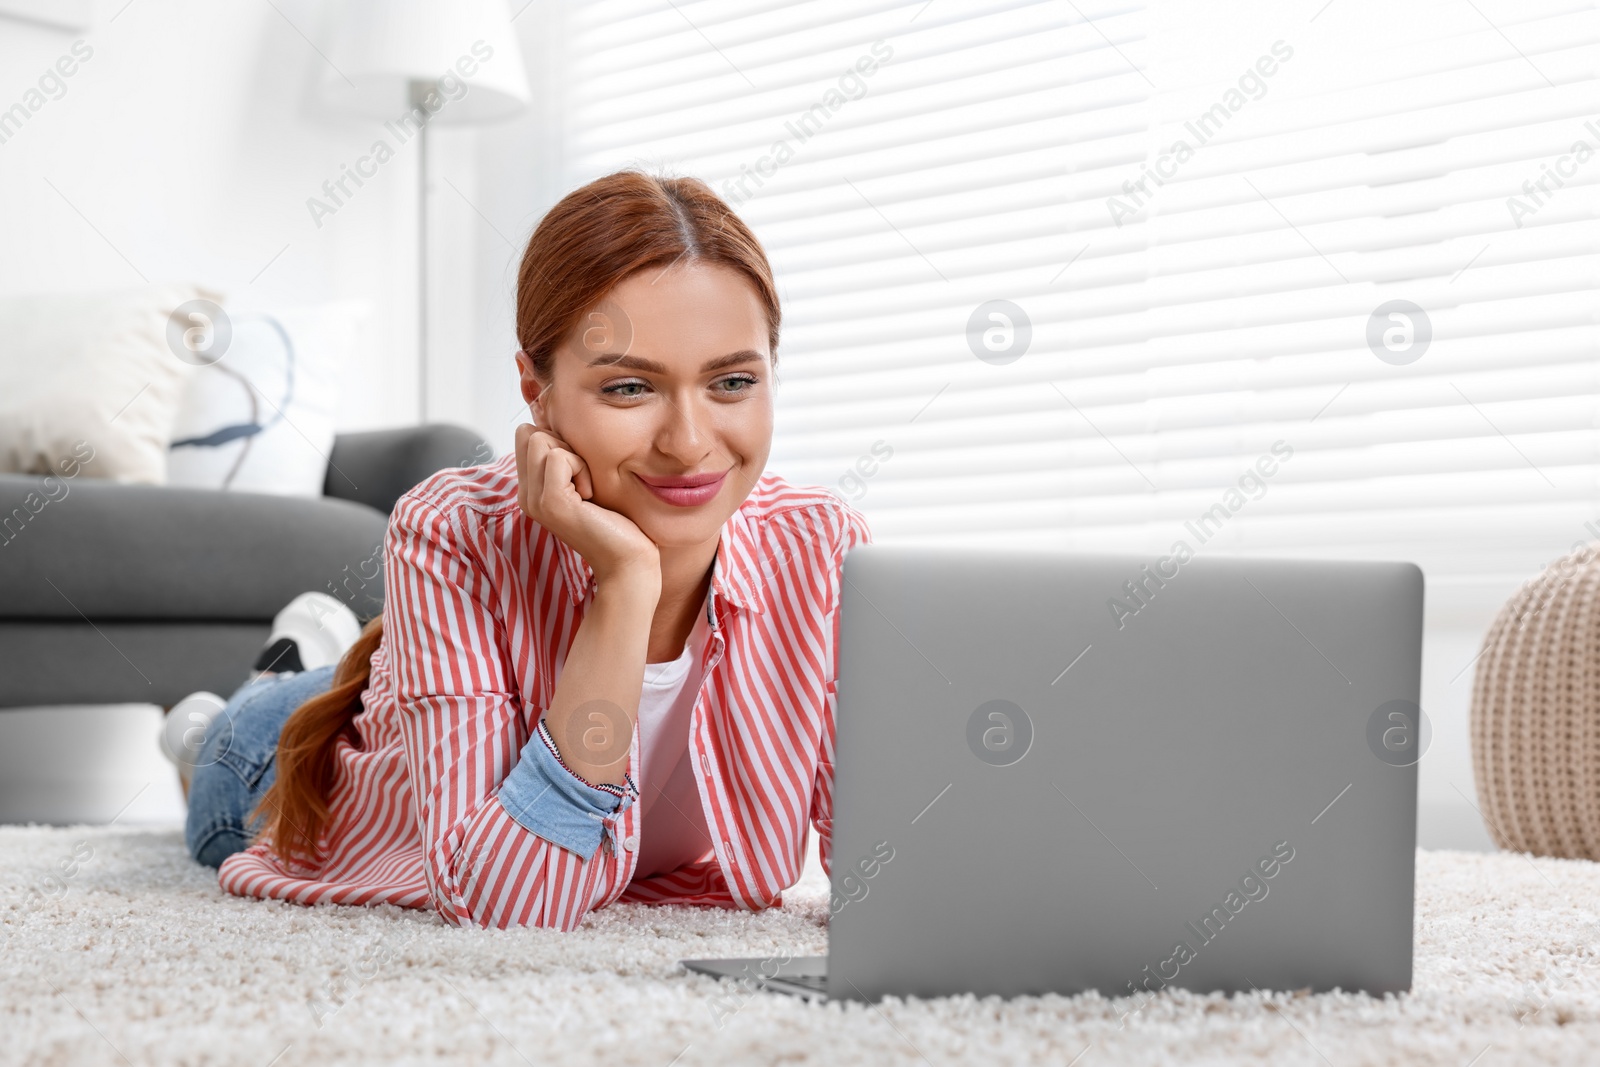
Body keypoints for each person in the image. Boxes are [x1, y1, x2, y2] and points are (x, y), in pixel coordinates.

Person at [168, 169, 873, 931]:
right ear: (535, 391)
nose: (690, 443)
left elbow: (888, 858)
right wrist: (626, 585)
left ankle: (344, 650)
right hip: (279, 759)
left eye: (732, 381)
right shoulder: (451, 528)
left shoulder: (822, 547)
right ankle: (256, 692)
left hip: (406, 691)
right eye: (630, 389)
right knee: (231, 745)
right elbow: (508, 902)